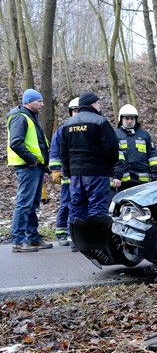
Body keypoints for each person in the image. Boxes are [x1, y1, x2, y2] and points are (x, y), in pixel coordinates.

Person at [60, 92, 120, 229]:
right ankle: (95, 242)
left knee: (76, 206)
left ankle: (76, 240)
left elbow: (64, 152)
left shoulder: (68, 124)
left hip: (76, 174)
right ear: (92, 104)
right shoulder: (100, 121)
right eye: (98, 103)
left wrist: (68, 172)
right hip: (97, 172)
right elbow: (112, 147)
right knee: (97, 207)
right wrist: (110, 166)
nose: (99, 106)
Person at [6, 89, 53, 253]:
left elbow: (40, 145)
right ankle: (19, 240)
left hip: (35, 167)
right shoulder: (20, 117)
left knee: (32, 203)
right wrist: (32, 161)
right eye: (39, 101)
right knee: (24, 203)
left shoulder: (31, 117)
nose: (42, 104)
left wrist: (44, 168)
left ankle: (33, 238)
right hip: (27, 167)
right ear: (28, 102)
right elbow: (16, 143)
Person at [49, 97, 80, 248]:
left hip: (81, 174)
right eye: (75, 110)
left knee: (78, 204)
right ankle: (62, 232)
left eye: (79, 110)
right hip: (68, 175)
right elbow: (54, 150)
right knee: (66, 203)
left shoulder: (87, 128)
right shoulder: (63, 129)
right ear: (70, 112)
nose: (77, 113)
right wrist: (55, 169)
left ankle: (74, 233)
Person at [113, 104, 157, 191]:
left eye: (132, 118)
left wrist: (155, 172)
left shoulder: (144, 135)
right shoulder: (115, 135)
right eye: (127, 118)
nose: (130, 121)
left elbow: (152, 155)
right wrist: (116, 176)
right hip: (123, 181)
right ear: (121, 119)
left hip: (142, 181)